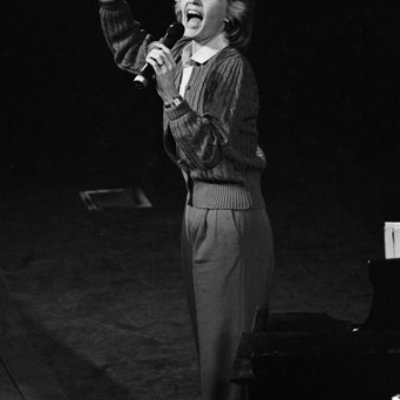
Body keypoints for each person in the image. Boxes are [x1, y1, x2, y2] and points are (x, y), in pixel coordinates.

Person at [98, 0, 274, 399]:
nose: (190, 0)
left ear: (230, 11)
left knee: (228, 369)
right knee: (211, 356)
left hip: (231, 218)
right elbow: (131, 49)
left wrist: (172, 98)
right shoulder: (181, 52)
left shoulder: (232, 68)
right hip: (196, 213)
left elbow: (208, 153)